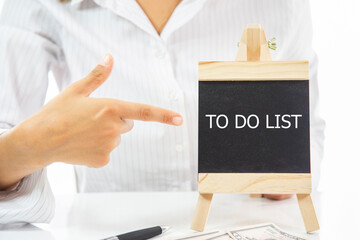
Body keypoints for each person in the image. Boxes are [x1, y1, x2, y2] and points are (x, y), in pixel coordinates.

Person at [0, 0, 325, 224]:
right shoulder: (37, 5)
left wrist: (287, 169)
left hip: (245, 225)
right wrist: (41, 142)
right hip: (109, 229)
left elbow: (306, 127)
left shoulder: (280, 5)